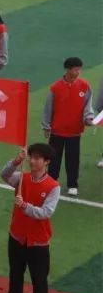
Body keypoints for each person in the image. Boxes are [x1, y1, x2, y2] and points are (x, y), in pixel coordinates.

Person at [0, 144, 60, 293]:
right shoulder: (22, 178)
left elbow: (46, 212)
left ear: (46, 162)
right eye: (31, 157)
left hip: (38, 242)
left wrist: (24, 206)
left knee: (39, 280)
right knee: (15, 275)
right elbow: (5, 175)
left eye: (37, 158)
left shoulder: (53, 187)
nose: (32, 161)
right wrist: (16, 161)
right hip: (17, 236)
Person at [42, 57, 92, 196]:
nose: (78, 72)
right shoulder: (55, 88)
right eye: (76, 70)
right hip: (57, 131)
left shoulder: (84, 86)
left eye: (79, 69)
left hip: (74, 132)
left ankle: (72, 185)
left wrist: (88, 118)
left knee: (73, 160)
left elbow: (87, 105)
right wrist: (46, 126)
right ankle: (51, 184)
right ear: (68, 70)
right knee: (54, 160)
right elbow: (48, 108)